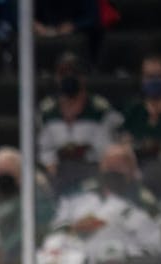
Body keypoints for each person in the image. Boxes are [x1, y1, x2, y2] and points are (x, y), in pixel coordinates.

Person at [38, 142, 161, 264]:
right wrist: (73, 228)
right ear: (101, 166)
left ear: (132, 169)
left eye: (119, 164)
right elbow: (56, 230)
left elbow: (157, 245)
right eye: (109, 164)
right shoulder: (78, 195)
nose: (113, 169)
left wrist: (123, 218)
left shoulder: (146, 202)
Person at [37, 52, 122, 192]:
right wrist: (52, 167)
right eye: (63, 73)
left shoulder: (101, 111)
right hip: (55, 175)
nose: (68, 77)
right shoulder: (46, 112)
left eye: (74, 73)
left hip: (92, 172)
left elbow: (108, 150)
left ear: (83, 77)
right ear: (57, 77)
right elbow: (43, 150)